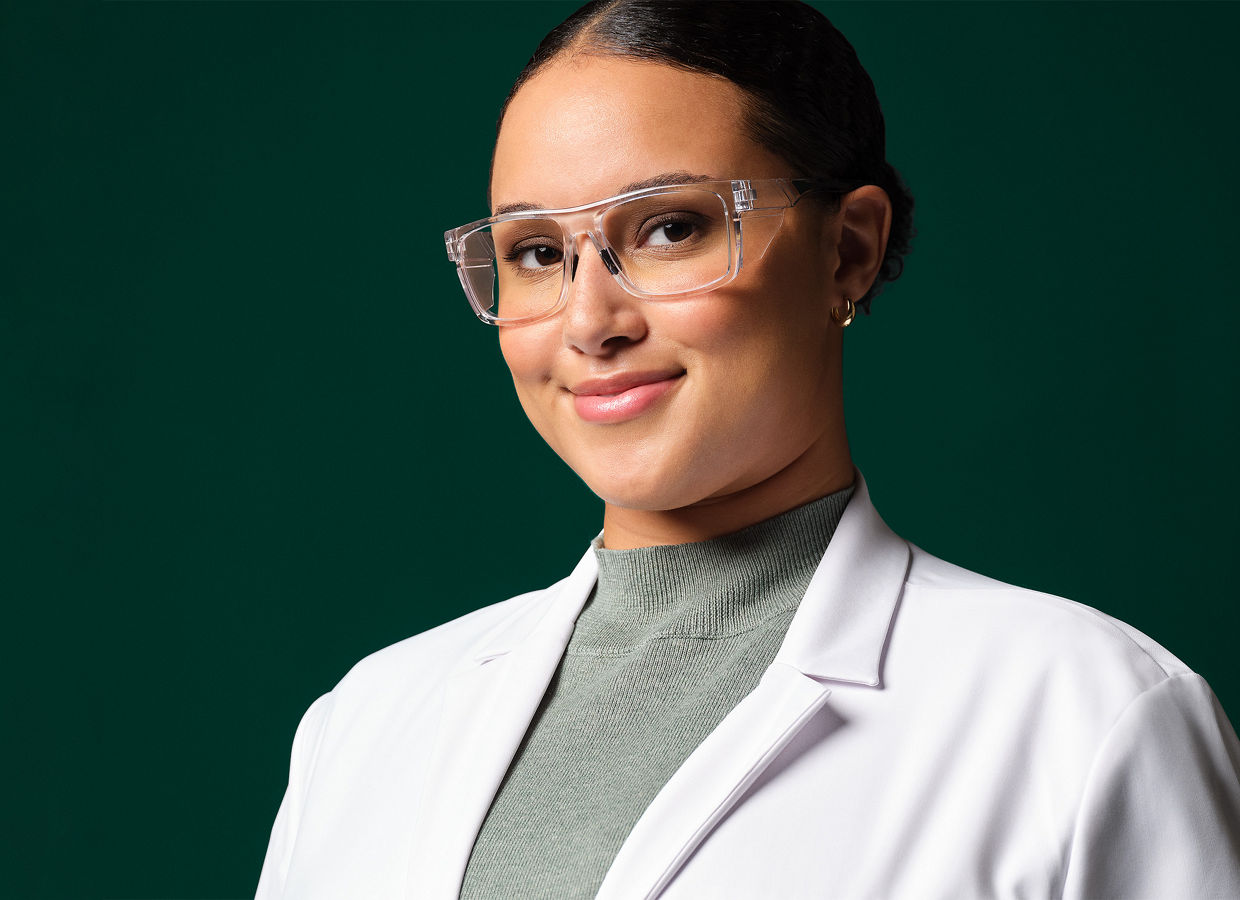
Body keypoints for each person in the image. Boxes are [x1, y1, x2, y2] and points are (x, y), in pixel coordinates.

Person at [256, 2, 1240, 897]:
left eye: (670, 229)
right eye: (537, 253)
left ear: (847, 249)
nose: (590, 321)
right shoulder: (368, 725)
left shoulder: (1085, 717)